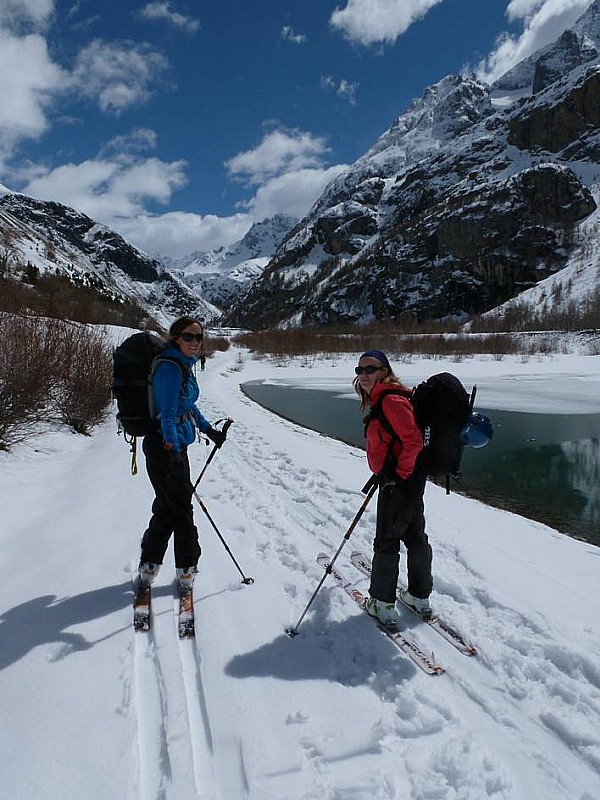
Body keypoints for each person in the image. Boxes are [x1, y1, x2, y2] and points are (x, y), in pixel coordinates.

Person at [137, 316, 226, 591]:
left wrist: (208, 429)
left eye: (199, 338)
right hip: (164, 447)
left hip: (171, 447)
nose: (195, 342)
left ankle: (149, 566)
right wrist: (172, 448)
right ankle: (186, 568)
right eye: (189, 337)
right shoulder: (170, 368)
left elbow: (186, 406)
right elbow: (167, 414)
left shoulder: (182, 365)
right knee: (182, 509)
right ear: (176, 337)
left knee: (168, 506)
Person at [354, 349, 432, 625]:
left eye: (370, 369)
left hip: (399, 482)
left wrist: (398, 475)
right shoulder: (385, 397)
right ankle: (418, 596)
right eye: (359, 370)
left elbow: (413, 441)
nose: (363, 375)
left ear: (384, 371)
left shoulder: (391, 401)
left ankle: (382, 604)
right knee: (414, 536)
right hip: (407, 480)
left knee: (387, 540)